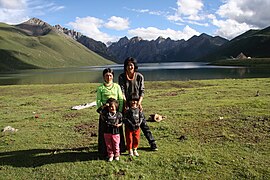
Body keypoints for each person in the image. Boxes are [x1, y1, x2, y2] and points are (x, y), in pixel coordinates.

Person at [118, 57, 158, 151]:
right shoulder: (121, 77)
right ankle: (123, 146)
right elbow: (122, 91)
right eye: (127, 65)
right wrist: (125, 103)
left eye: (131, 65)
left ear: (134, 66)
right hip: (126, 104)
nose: (129, 67)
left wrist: (139, 103)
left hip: (137, 104)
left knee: (143, 123)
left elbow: (142, 91)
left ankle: (152, 143)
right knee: (126, 124)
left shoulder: (139, 76)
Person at [96, 68, 125, 157]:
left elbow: (120, 99)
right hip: (105, 112)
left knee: (117, 130)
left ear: (113, 76)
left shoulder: (117, 86)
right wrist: (102, 110)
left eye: (110, 75)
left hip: (116, 112)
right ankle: (105, 150)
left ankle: (119, 149)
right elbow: (98, 100)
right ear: (104, 77)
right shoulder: (100, 88)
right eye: (106, 75)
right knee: (105, 130)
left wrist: (119, 111)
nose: (108, 77)